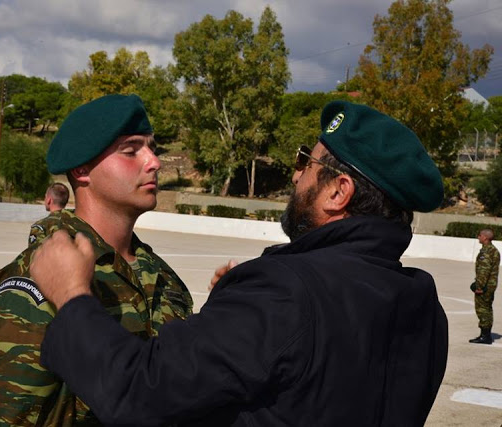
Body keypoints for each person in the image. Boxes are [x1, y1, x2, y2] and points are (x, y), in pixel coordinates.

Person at [31, 100, 449, 426]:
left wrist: (71, 296)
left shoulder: (284, 295)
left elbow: (137, 390)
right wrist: (237, 314)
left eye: (307, 161)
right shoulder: (424, 303)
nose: (295, 175)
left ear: (338, 192)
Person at [0, 94, 193, 425]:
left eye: (152, 148)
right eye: (131, 151)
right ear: (81, 170)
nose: (154, 162)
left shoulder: (164, 278)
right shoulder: (42, 278)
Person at [468, 228, 500, 344]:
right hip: (491, 285)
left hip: (485, 286)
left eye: (480, 235)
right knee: (487, 309)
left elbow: (484, 271)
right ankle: (486, 334)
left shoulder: (486, 252)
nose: (478, 237)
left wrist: (479, 286)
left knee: (482, 310)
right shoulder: (494, 250)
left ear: (485, 238)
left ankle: (485, 336)